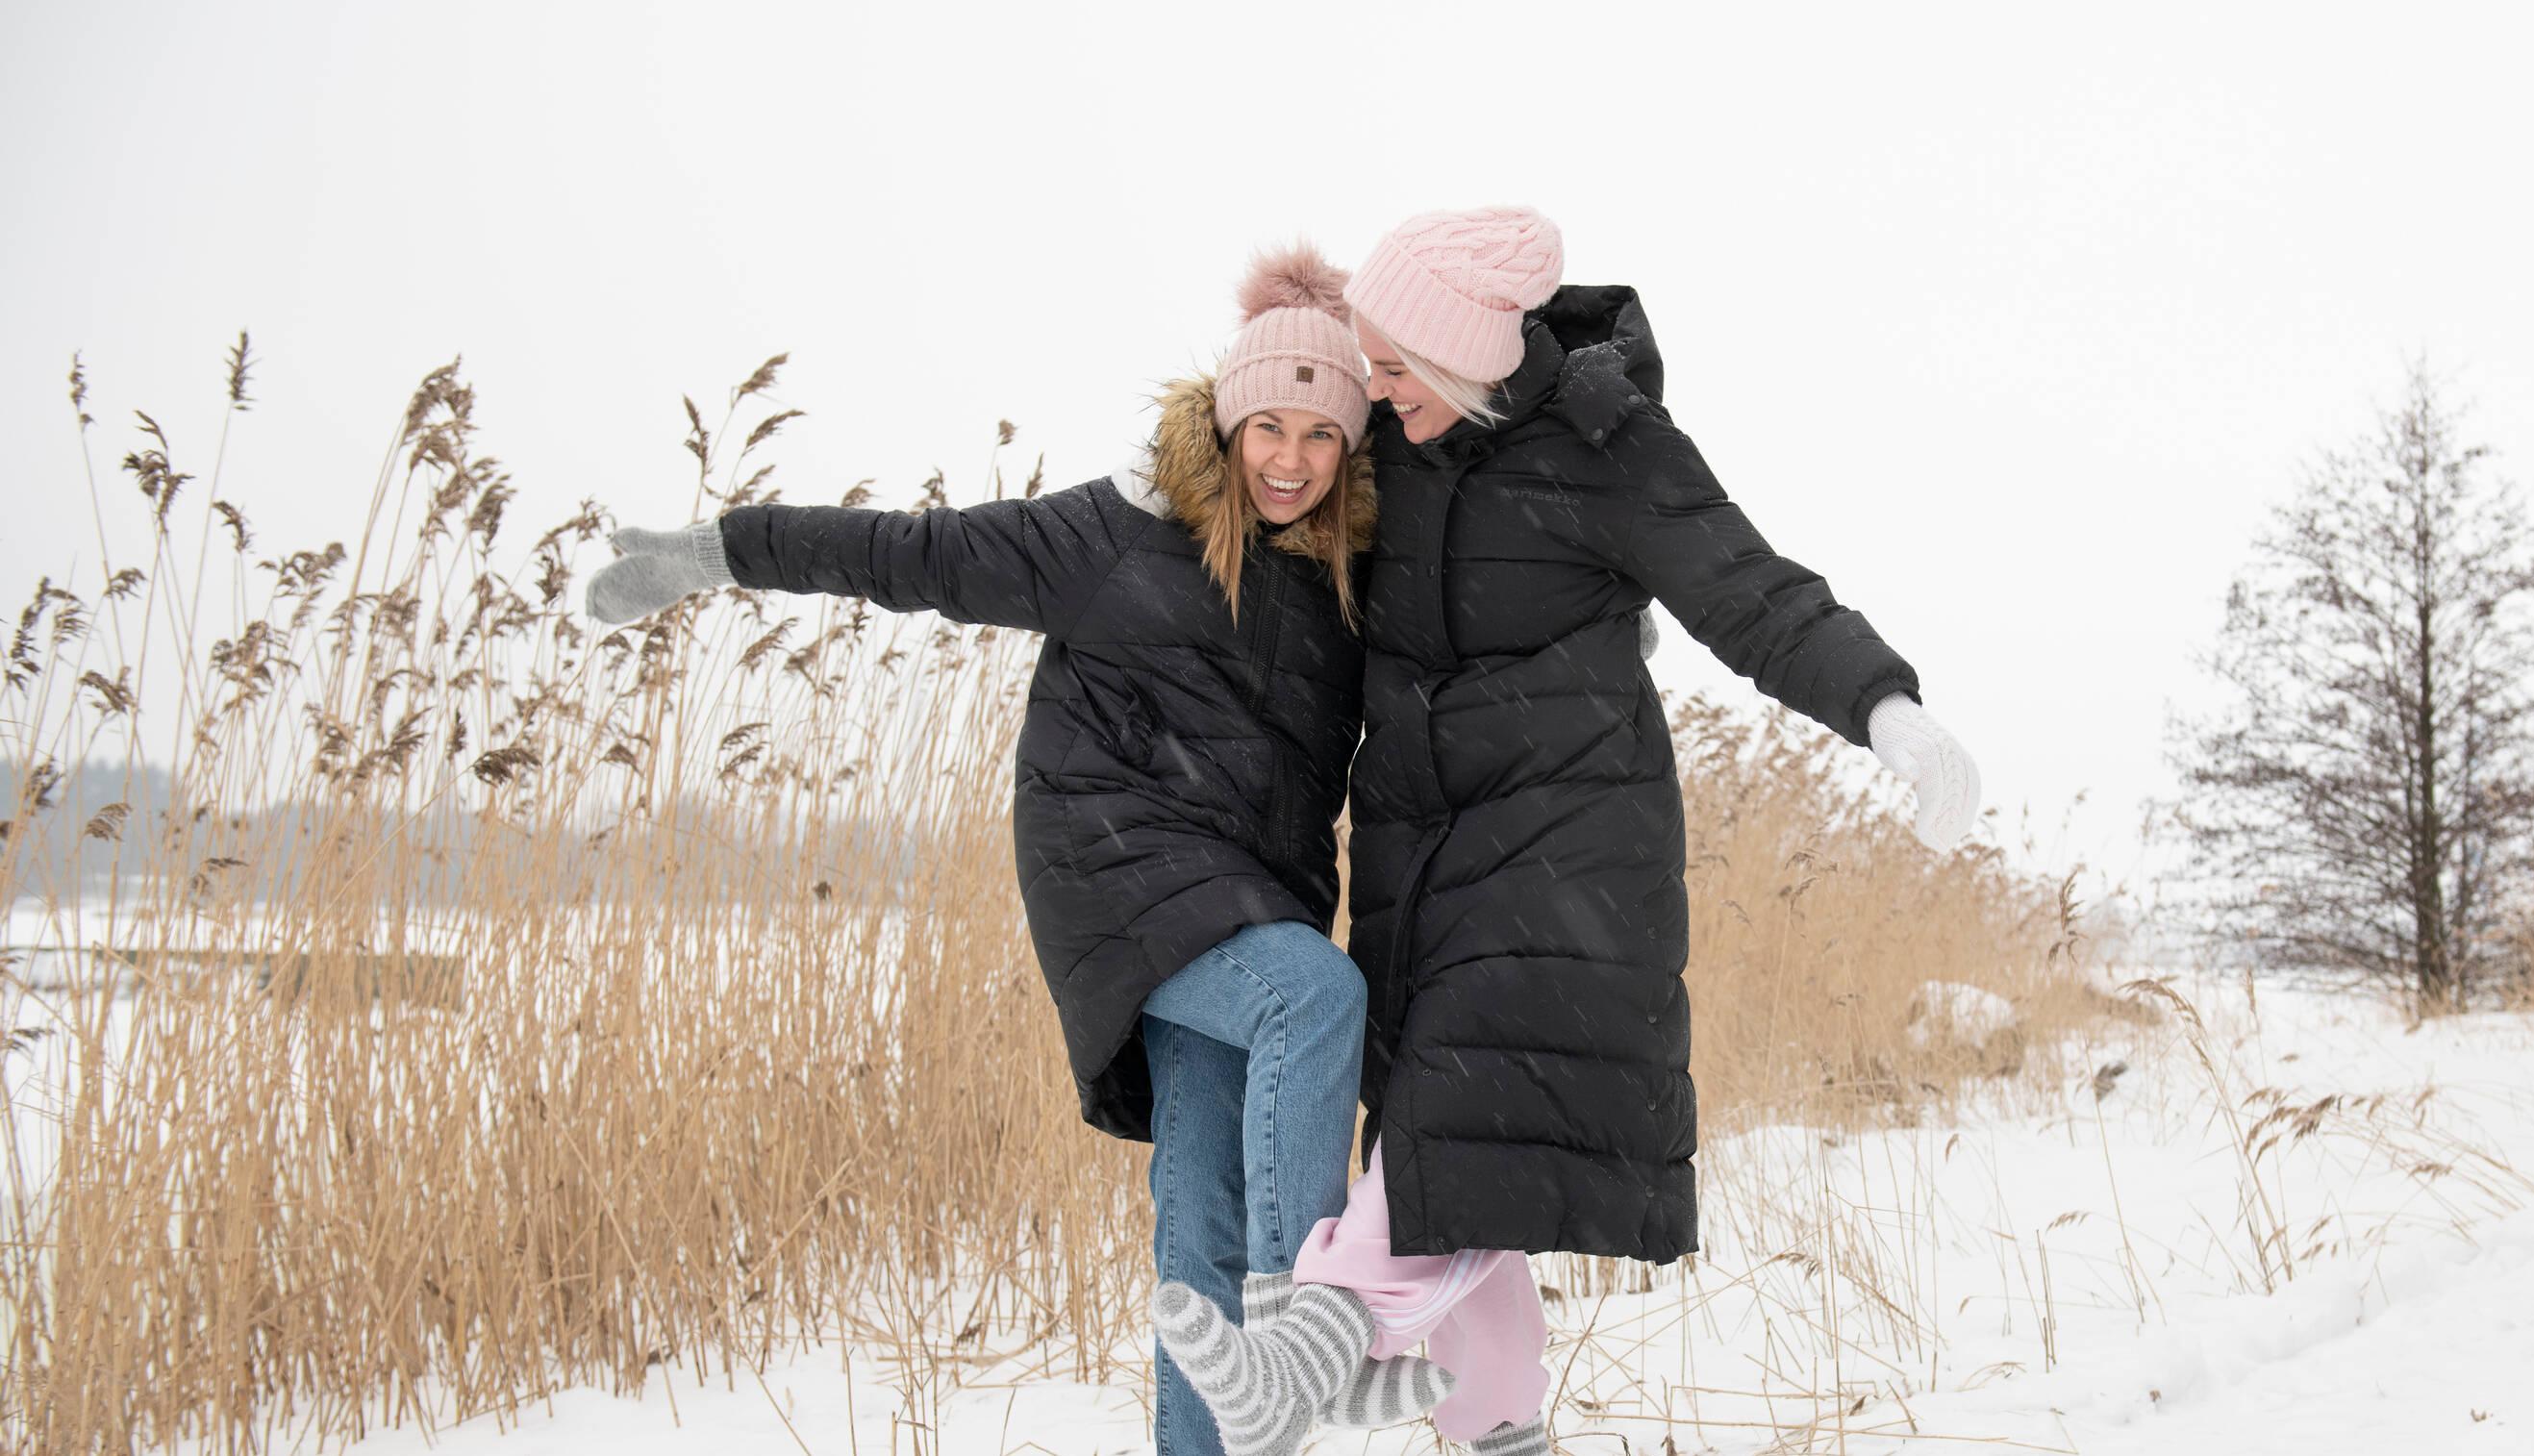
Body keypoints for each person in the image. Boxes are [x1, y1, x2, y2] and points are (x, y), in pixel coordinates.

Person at [583, 246, 1447, 1456]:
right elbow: (913, 554)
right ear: (1224, 422)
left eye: (1319, 434)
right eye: (1267, 427)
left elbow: (1476, 640)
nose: (1289, 459)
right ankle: (1307, 1333)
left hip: (1257, 895)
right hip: (1118, 858)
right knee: (1317, 995)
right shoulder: (1116, 530)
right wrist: (721, 550)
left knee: (1202, 1202)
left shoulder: (1362, 579)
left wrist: (1577, 639)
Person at [1153, 208, 1981, 1456]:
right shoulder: (1395, 447)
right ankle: (1503, 1435)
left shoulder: (1610, 448)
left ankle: (1305, 1354)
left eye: (1391, 366)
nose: (1373, 390)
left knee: (1444, 1133)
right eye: (1365, 367)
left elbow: (1749, 590)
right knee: (1452, 1175)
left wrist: (1885, 705)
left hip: (1564, 859)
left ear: (1466, 351)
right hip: (1416, 872)